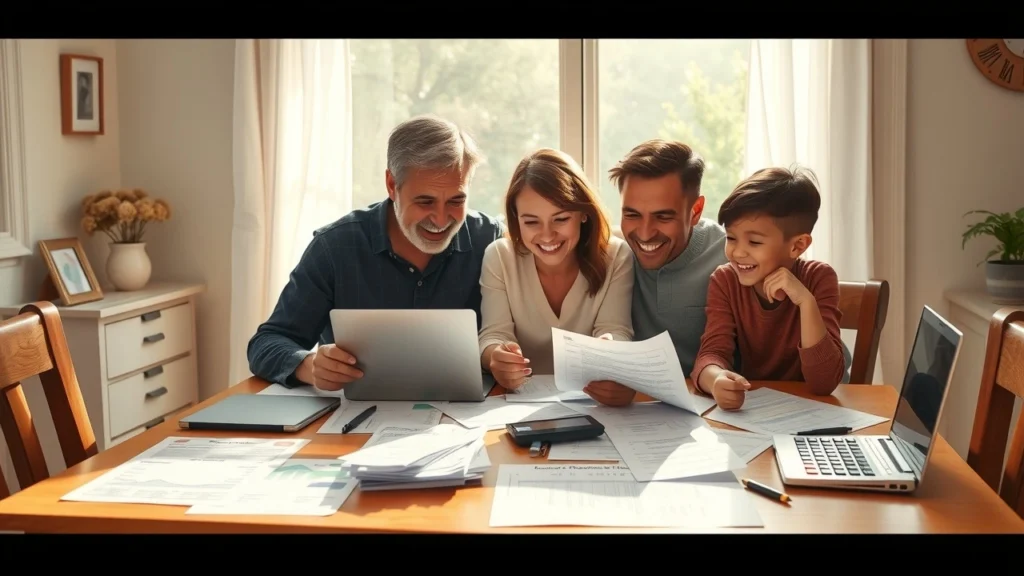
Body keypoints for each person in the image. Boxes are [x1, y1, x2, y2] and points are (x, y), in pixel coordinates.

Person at [247, 114, 504, 391]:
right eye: (425, 201)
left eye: (456, 200)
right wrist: (308, 366)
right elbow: (266, 343)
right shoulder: (334, 248)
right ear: (392, 185)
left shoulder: (490, 240)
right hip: (353, 421)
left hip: (469, 418)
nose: (441, 220)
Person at [477, 148, 636, 406]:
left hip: (590, 404)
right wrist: (496, 356)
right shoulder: (500, 257)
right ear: (516, 219)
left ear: (584, 213)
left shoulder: (616, 256)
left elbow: (615, 329)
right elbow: (493, 334)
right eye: (531, 222)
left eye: (560, 219)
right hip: (516, 406)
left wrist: (611, 348)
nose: (547, 235)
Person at [691, 166, 845, 410]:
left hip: (811, 412)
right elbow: (711, 354)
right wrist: (716, 379)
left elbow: (823, 384)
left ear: (797, 246)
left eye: (754, 242)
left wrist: (806, 302)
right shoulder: (725, 281)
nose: (737, 252)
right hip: (753, 413)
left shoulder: (818, 278)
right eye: (731, 238)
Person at [607, 139, 729, 377]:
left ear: (695, 211)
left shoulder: (731, 255)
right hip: (632, 403)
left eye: (663, 217)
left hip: (713, 403)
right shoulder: (612, 253)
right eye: (631, 214)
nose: (644, 233)